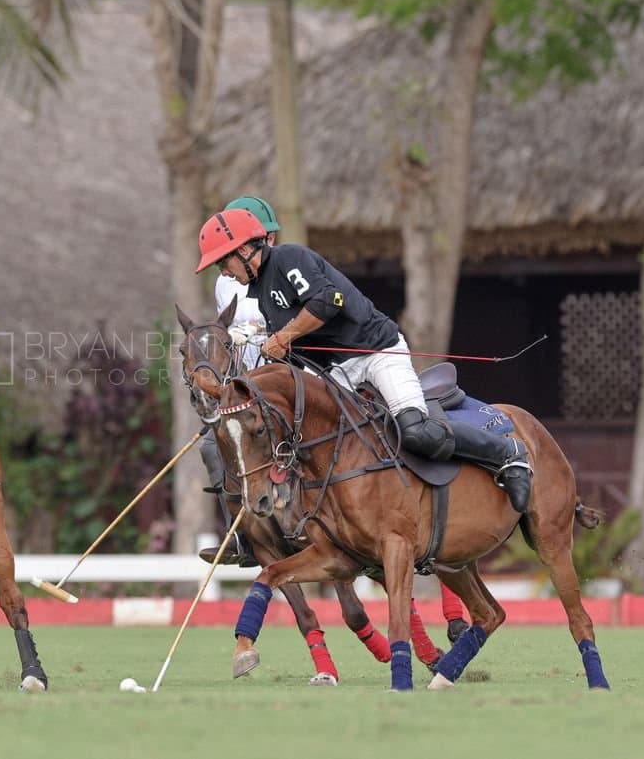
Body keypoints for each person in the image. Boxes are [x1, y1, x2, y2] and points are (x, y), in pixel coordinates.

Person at [193, 208, 532, 513]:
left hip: (376, 352)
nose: (224, 271)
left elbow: (329, 300)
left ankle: (507, 453)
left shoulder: (289, 259)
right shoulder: (261, 294)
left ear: (244, 249)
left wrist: (283, 338)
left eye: (223, 262)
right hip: (337, 371)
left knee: (415, 432)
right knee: (310, 441)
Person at [196, 197, 280, 567]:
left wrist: (263, 331)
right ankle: (241, 534)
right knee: (210, 447)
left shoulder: (284, 271)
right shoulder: (224, 285)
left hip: (286, 380)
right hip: (246, 387)